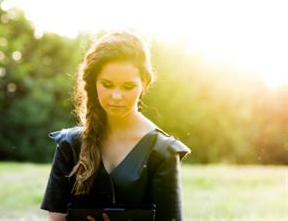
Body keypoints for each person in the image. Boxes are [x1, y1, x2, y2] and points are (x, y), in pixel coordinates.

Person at [41, 31, 191, 221]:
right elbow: (57, 217)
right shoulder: (69, 144)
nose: (117, 96)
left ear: (144, 84)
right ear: (94, 83)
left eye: (128, 87)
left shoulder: (162, 151)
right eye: (107, 84)